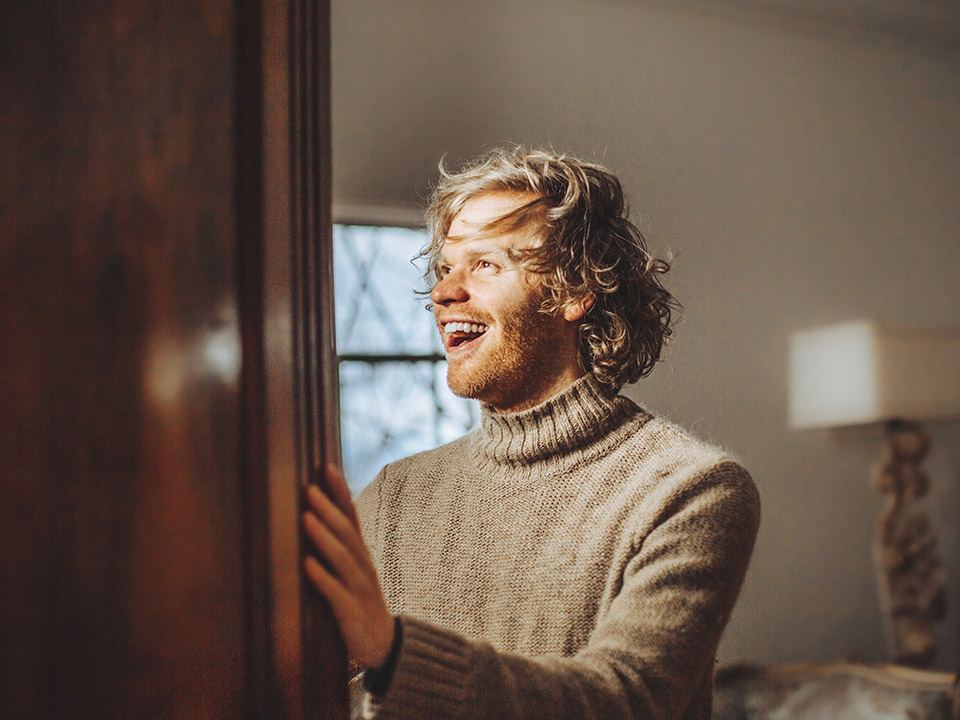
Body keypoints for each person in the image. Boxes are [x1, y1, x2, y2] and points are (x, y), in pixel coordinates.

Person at [302, 147, 761, 719]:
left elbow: (626, 700)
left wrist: (394, 653)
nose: (445, 294)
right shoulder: (395, 496)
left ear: (576, 291)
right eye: (446, 268)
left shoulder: (691, 491)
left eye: (487, 265)